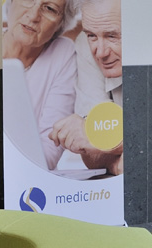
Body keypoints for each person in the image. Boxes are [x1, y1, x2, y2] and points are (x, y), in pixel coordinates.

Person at [3, 0, 80, 170]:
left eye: (49, 9)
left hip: (25, 177)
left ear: (61, 23)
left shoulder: (63, 54)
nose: (33, 16)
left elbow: (50, 147)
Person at [49, 0, 123, 175]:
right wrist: (120, 163)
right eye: (91, 35)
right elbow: (91, 155)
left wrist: (103, 141)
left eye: (112, 36)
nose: (101, 52)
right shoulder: (85, 45)